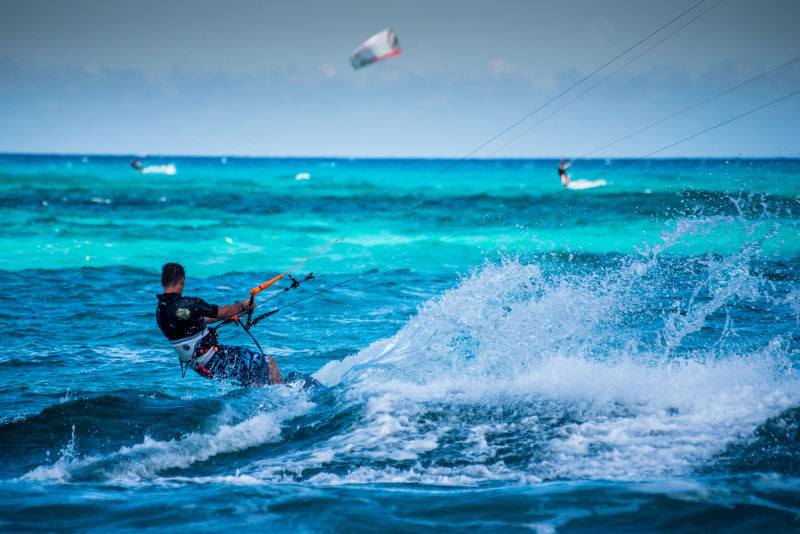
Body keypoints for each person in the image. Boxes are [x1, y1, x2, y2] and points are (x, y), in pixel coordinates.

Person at [155, 262, 284, 386]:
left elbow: (204, 319)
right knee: (269, 363)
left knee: (253, 380)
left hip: (200, 367)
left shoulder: (162, 312)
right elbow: (222, 312)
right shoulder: (190, 304)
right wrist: (243, 305)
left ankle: (259, 406)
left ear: (162, 282)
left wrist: (239, 313)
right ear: (182, 280)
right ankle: (285, 401)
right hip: (214, 360)